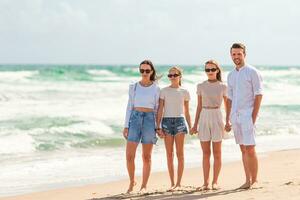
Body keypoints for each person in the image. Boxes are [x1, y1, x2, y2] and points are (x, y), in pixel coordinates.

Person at [226, 43, 263, 189]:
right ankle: (247, 180)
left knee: (250, 148)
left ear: (244, 54)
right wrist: (228, 117)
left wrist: (253, 117)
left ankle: (254, 181)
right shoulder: (231, 75)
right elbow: (229, 98)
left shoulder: (252, 72)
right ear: (231, 55)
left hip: (248, 115)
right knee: (242, 149)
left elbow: (258, 95)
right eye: (234, 54)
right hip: (235, 116)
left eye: (239, 54)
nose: (236, 57)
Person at [123, 60, 160, 193]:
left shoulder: (156, 88)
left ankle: (144, 185)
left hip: (149, 121)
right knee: (129, 156)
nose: (144, 73)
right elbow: (129, 107)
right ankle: (132, 181)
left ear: (151, 72)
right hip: (135, 119)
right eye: (142, 70)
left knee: (146, 156)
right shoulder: (133, 87)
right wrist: (126, 125)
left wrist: (157, 127)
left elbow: (156, 109)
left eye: (147, 71)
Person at [191, 60, 229, 191]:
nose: (210, 72)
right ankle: (206, 183)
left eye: (213, 69)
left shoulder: (223, 86)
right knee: (206, 153)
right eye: (207, 70)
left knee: (217, 153)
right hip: (204, 117)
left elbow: (228, 105)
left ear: (217, 70)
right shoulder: (200, 86)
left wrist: (228, 121)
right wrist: (194, 124)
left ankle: (215, 182)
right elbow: (199, 106)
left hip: (217, 116)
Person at [156, 66, 191, 191]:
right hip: (166, 122)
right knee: (169, 154)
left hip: (180, 123)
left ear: (180, 76)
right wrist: (158, 126)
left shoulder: (185, 91)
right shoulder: (164, 91)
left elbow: (187, 112)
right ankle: (172, 183)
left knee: (180, 154)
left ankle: (179, 183)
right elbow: (160, 109)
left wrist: (191, 126)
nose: (172, 77)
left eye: (174, 75)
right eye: (170, 75)